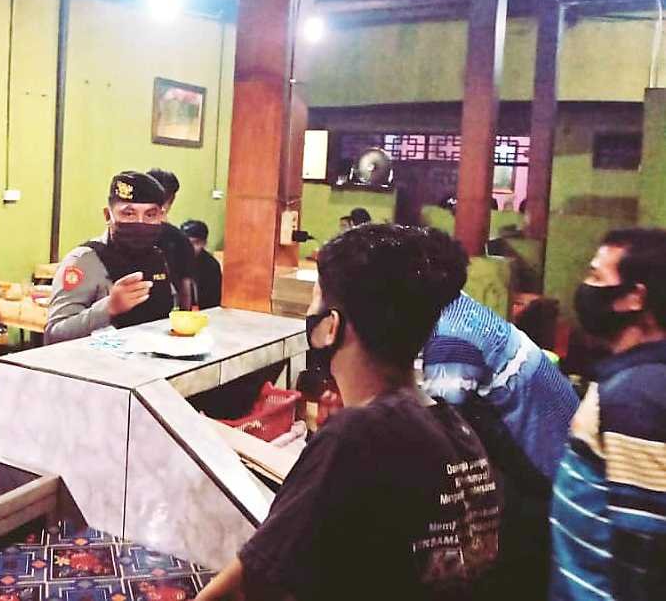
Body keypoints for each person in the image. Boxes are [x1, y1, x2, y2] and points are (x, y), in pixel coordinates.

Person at [197, 224, 500, 601]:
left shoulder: (359, 435)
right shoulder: (455, 427)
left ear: (331, 326)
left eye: (315, 301)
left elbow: (250, 582)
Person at [422, 292, 580, 599]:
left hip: (542, 490)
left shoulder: (450, 340)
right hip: (556, 472)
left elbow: (442, 441)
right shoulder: (463, 311)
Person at [549, 228, 666, 601]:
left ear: (634, 297)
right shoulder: (628, 379)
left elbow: (641, 557)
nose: (586, 289)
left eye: (597, 277)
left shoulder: (636, 398)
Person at [45, 172, 174, 345]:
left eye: (150, 215)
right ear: (108, 215)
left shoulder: (157, 258)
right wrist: (109, 308)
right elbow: (54, 334)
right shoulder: (84, 261)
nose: (140, 222)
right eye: (129, 214)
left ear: (161, 216)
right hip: (96, 361)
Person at [147, 168, 194, 310]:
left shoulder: (125, 232)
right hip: (166, 311)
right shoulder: (180, 239)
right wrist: (185, 316)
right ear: (172, 199)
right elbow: (185, 286)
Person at [180, 219, 221, 309]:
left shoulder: (211, 265)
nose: (189, 247)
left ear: (204, 243)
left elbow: (213, 301)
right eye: (185, 242)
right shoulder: (173, 259)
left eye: (196, 243)